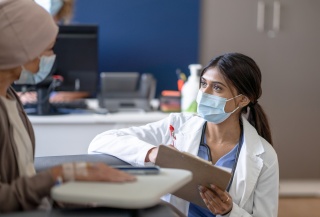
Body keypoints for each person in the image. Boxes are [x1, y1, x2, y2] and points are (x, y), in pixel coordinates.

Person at [88, 52, 279, 216]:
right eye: (204, 83)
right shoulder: (178, 125)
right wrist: (153, 153)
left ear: (243, 100)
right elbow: (101, 141)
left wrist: (229, 212)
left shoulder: (265, 156)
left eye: (217, 88)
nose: (205, 92)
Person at [0, 0, 136, 213]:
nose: (51, 58)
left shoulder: (9, 97)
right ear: (22, 50)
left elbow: (22, 176)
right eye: (48, 49)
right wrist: (59, 175)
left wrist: (66, 194)